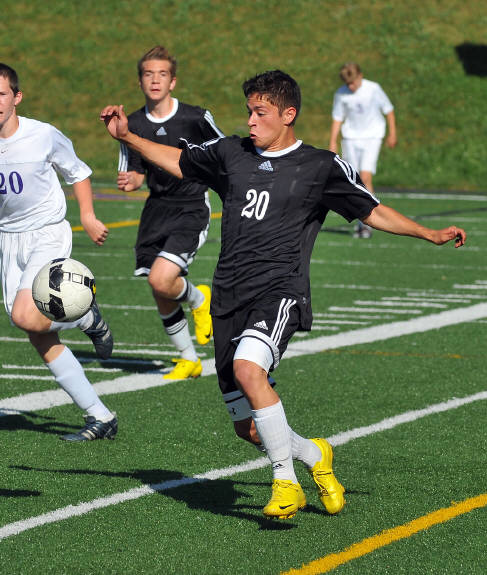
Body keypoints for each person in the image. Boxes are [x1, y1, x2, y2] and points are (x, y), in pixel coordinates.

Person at [100, 70, 465, 520]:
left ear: (288, 114)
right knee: (247, 428)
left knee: (248, 369)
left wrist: (428, 233)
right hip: (228, 297)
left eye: (261, 112)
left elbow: (371, 210)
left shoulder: (320, 166)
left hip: (280, 292)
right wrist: (128, 136)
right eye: (249, 112)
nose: (251, 121)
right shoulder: (231, 152)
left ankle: (285, 483)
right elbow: (180, 161)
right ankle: (314, 455)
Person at [0, 63, 117, 442]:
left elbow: (78, 172)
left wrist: (87, 216)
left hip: (48, 233)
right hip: (10, 241)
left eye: (1, 94)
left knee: (26, 314)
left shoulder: (43, 135)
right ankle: (100, 415)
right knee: (35, 331)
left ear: (16, 97)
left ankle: (84, 315)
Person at [116, 46, 224, 380]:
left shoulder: (195, 118)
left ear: (173, 81)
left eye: (162, 74)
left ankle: (199, 298)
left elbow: (225, 152)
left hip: (191, 206)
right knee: (159, 288)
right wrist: (131, 181)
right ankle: (189, 359)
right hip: (156, 209)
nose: (155, 80)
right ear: (139, 82)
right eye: (148, 74)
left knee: (161, 279)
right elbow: (135, 171)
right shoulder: (132, 123)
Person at [329, 62, 397, 238]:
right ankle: (362, 222)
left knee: (366, 178)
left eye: (353, 82)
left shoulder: (373, 89)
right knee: (353, 180)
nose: (351, 86)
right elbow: (338, 118)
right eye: (348, 84)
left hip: (372, 137)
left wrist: (392, 133)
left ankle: (368, 224)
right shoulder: (341, 94)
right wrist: (333, 141)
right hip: (350, 138)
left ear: (360, 76)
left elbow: (388, 110)